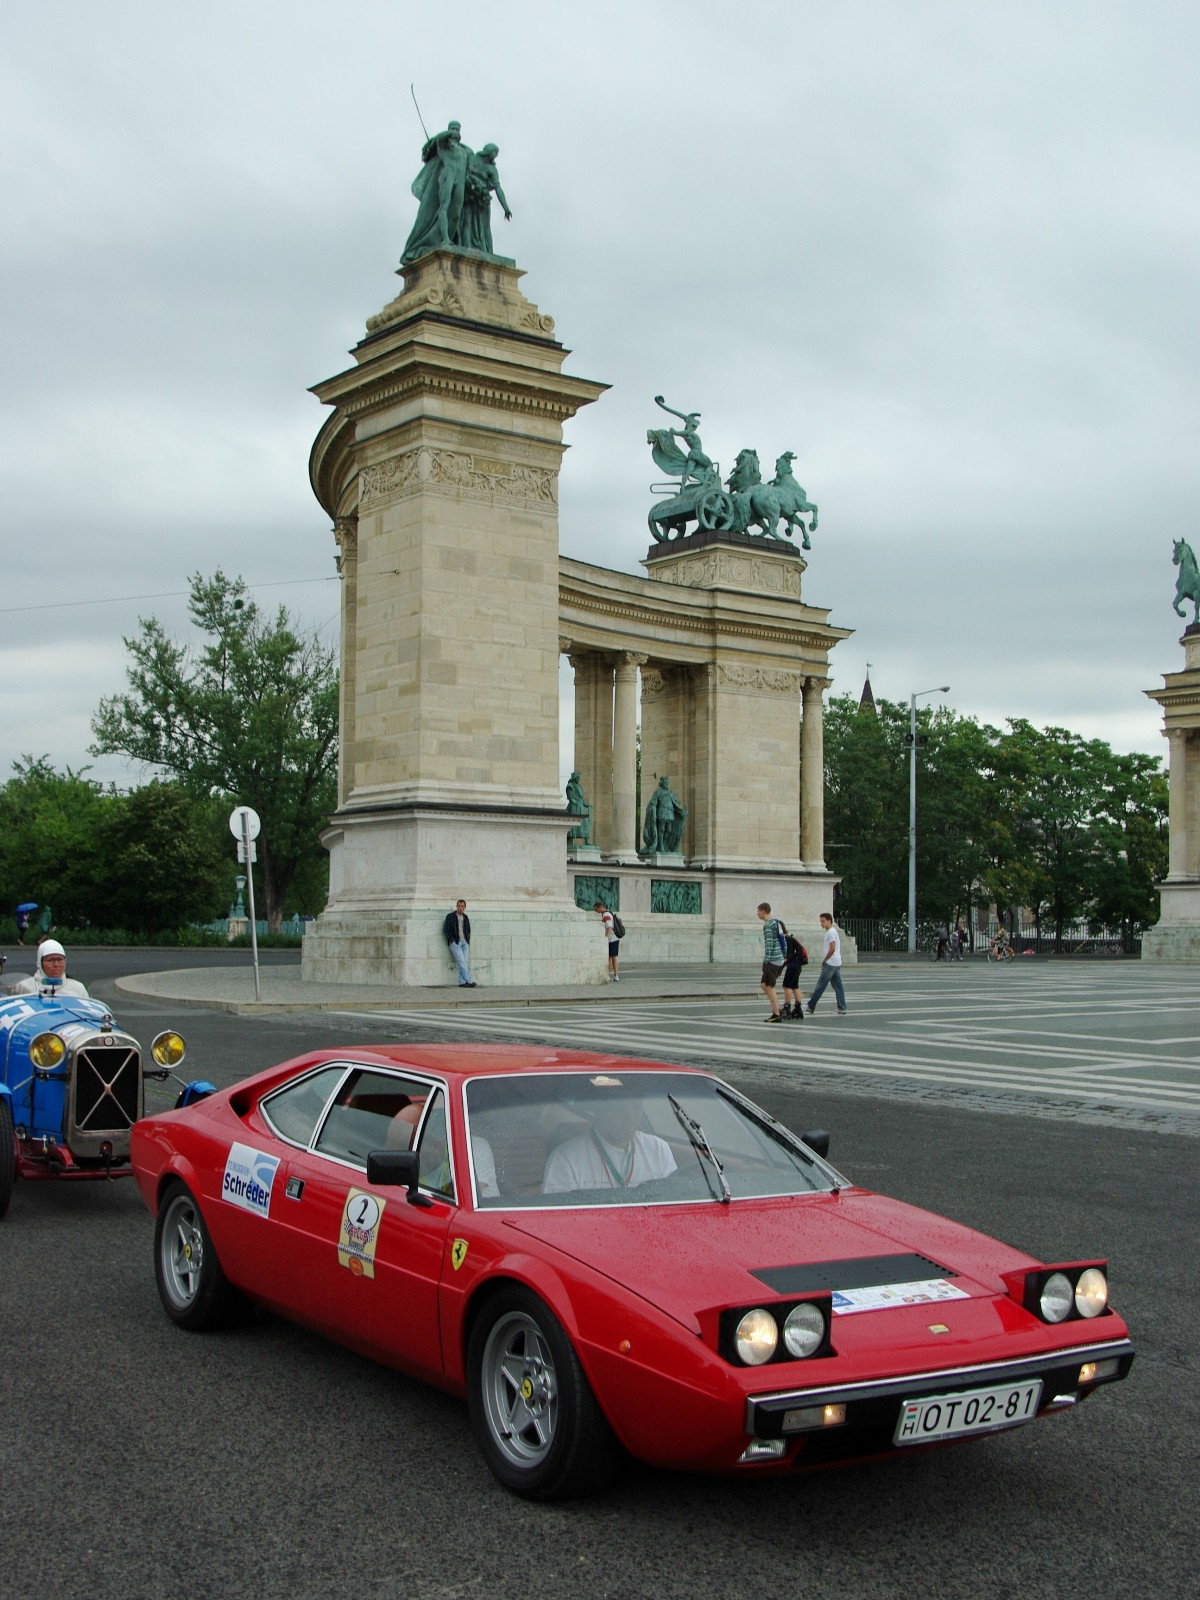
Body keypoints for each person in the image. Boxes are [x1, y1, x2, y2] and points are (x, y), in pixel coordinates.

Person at [542, 1092, 676, 1193]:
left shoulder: (658, 1149)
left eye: (635, 1107)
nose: (630, 1117)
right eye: (620, 1109)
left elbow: (674, 1200)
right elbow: (558, 1224)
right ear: (599, 1111)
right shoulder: (566, 1160)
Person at [402, 120, 473, 263]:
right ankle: (445, 239)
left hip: (460, 181)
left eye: (457, 129)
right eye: (452, 129)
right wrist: (449, 133)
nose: (455, 131)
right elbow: (439, 138)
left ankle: (450, 237)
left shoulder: (465, 151)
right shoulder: (443, 145)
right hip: (447, 175)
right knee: (444, 207)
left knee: (456, 213)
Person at [460, 143, 512, 254]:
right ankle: (466, 247)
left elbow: (498, 189)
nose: (496, 156)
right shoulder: (471, 158)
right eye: (495, 152)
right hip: (468, 196)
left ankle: (485, 251)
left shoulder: (492, 169)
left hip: (482, 200)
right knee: (467, 222)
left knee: (484, 228)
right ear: (488, 151)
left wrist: (506, 208)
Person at [12, 938, 90, 998]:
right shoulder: (23, 987)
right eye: (50, 960)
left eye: (60, 960)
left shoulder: (78, 988)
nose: (56, 965)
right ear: (40, 963)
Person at [805, 914, 846, 1015]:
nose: (821, 923)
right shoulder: (834, 931)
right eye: (821, 921)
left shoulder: (830, 932)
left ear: (829, 921)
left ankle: (810, 1006)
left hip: (830, 963)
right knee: (838, 986)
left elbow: (832, 947)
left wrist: (825, 959)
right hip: (836, 963)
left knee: (821, 985)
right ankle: (842, 1007)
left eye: (823, 921)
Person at [756, 902, 786, 1022]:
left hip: (772, 960)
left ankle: (776, 1013)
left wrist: (766, 960)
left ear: (763, 911)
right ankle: (778, 1009)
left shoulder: (768, 925)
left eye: (758, 911)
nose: (757, 914)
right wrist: (784, 955)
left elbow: (770, 944)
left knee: (769, 986)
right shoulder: (776, 922)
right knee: (764, 985)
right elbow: (782, 939)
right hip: (779, 959)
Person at [443, 899, 477, 987]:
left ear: (465, 907)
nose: (460, 908)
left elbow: (468, 929)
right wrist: (451, 940)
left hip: (464, 942)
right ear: (456, 906)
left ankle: (462, 981)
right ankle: (469, 980)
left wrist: (467, 939)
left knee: (465, 962)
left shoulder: (466, 917)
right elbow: (446, 929)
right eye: (458, 906)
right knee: (462, 962)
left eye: (462, 906)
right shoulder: (450, 916)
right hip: (455, 942)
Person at [780, 926, 807, 1020]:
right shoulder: (790, 938)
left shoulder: (786, 939)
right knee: (795, 986)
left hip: (792, 966)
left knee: (786, 986)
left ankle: (787, 1008)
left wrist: (782, 966)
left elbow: (789, 955)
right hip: (797, 966)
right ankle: (798, 1008)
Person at [595, 901, 620, 982]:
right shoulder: (608, 912)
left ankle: (614, 975)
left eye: (596, 909)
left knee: (611, 957)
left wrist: (606, 938)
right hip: (614, 938)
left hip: (611, 939)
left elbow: (609, 927)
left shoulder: (606, 914)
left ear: (599, 907)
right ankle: (612, 975)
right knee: (612, 957)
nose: (596, 911)